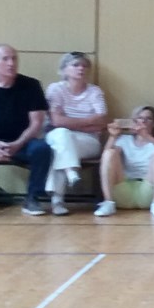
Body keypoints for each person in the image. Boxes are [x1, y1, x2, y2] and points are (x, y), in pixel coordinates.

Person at [41, 52, 109, 215]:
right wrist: (88, 121)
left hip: (88, 141)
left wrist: (70, 124)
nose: (81, 69)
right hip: (57, 136)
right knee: (62, 135)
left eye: (84, 66)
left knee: (61, 148)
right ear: (64, 69)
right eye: (75, 65)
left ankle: (58, 200)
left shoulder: (95, 92)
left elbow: (102, 122)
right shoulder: (55, 89)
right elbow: (56, 121)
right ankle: (71, 172)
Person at [0, 44, 53, 216]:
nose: (11, 63)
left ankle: (33, 198)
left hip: (22, 142)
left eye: (14, 58)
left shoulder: (31, 85)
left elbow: (36, 123)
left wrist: (17, 144)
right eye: (5, 59)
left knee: (42, 149)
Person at [93, 105, 154, 218]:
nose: (143, 121)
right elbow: (105, 158)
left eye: (148, 119)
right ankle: (108, 203)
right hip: (123, 189)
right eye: (140, 118)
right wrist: (113, 136)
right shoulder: (124, 139)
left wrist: (148, 137)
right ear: (134, 121)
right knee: (109, 153)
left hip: (148, 190)